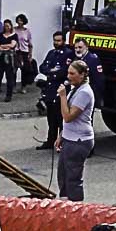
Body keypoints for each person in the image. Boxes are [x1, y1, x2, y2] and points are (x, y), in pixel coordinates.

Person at [56, 59, 96, 202]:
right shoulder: (75, 88)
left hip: (79, 141)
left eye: (72, 73)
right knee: (63, 174)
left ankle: (77, 209)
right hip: (69, 138)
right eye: (68, 72)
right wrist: (62, 135)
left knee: (73, 178)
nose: (68, 76)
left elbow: (68, 117)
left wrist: (62, 96)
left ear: (83, 74)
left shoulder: (85, 92)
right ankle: (65, 204)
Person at [36, 31, 71, 150]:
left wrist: (51, 71)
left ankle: (62, 142)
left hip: (60, 90)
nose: (56, 43)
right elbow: (42, 67)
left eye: (58, 40)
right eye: (54, 40)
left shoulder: (68, 54)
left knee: (60, 118)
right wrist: (51, 71)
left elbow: (64, 71)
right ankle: (50, 140)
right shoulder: (51, 53)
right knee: (51, 118)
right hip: (50, 90)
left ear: (63, 41)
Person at [0, 20, 18, 101]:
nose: (6, 27)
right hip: (0, 57)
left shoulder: (14, 35)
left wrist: (3, 45)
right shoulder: (0, 35)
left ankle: (8, 95)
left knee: (9, 77)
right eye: (5, 26)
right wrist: (2, 47)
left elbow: (12, 45)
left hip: (9, 58)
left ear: (11, 26)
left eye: (8, 26)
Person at [13, 13, 34, 91]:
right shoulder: (14, 29)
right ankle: (13, 86)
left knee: (24, 70)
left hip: (24, 51)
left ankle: (23, 86)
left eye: (21, 20)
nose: (19, 22)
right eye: (18, 20)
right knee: (14, 69)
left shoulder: (27, 31)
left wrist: (30, 54)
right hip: (16, 51)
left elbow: (30, 43)